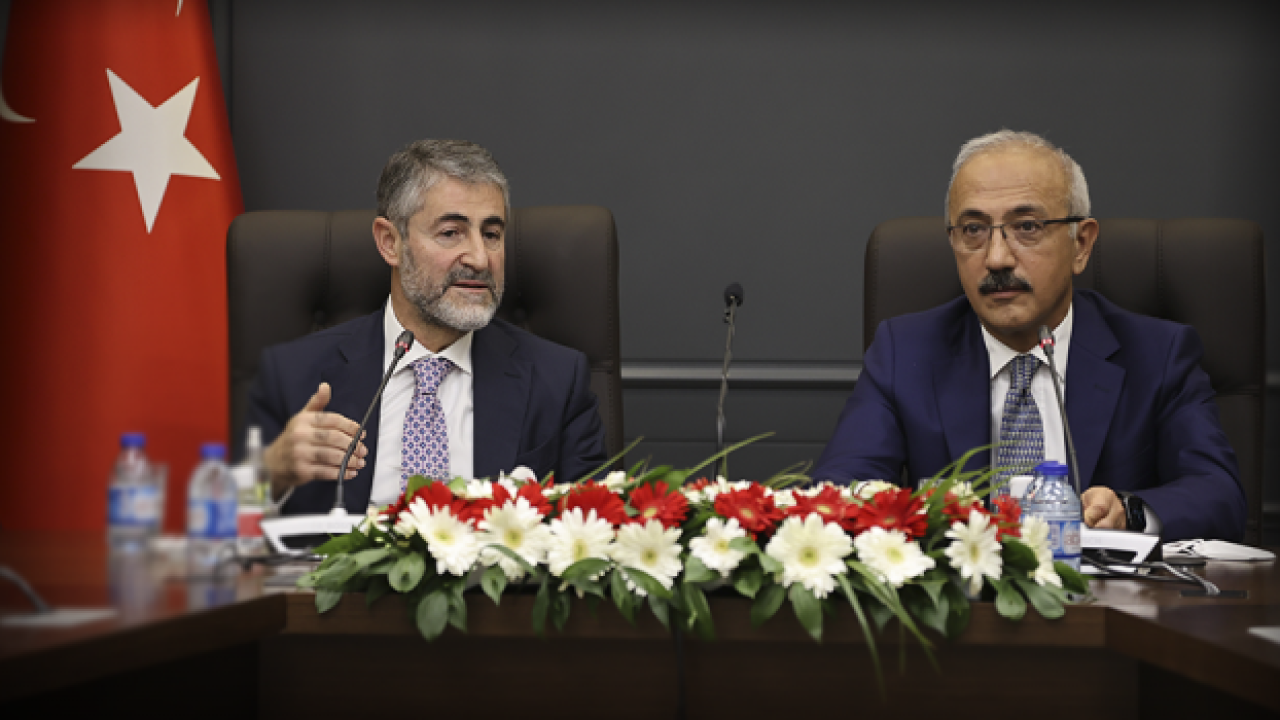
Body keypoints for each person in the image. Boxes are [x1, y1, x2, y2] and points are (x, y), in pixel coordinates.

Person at [813, 130, 1246, 542]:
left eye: (1027, 227)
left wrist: (1128, 510)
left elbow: (1219, 496)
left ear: (1081, 245)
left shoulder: (1157, 354)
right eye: (973, 230)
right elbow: (836, 494)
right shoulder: (904, 351)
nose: (997, 258)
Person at [246, 139, 607, 515]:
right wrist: (270, 473)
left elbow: (599, 526)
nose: (480, 259)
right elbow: (220, 529)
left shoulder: (557, 381)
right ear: (390, 243)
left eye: (491, 235)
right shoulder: (295, 375)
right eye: (451, 233)